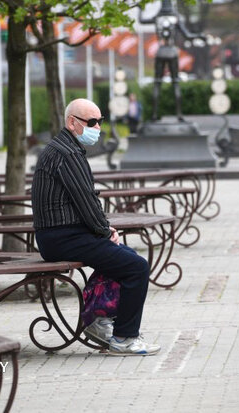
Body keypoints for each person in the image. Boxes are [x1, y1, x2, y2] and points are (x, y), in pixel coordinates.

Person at [31, 98, 161, 356]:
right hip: (62, 237)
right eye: (91, 122)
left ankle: (100, 321)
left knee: (127, 258)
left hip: (63, 235)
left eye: (100, 122)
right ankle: (124, 338)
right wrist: (105, 230)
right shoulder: (66, 154)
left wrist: (103, 231)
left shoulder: (64, 149)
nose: (98, 128)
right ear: (72, 122)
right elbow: (86, 200)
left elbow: (83, 200)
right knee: (136, 268)